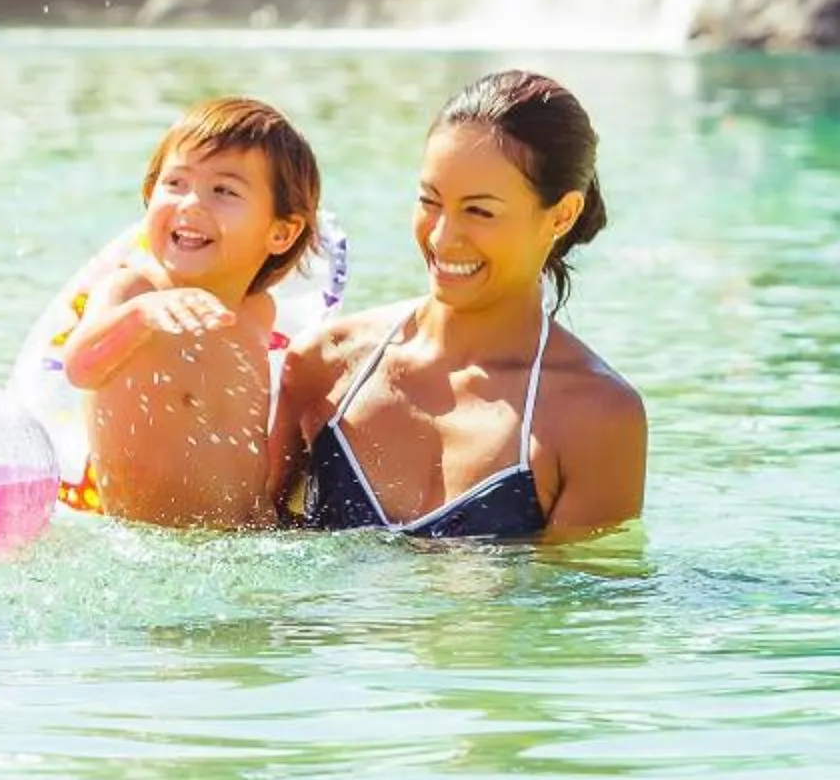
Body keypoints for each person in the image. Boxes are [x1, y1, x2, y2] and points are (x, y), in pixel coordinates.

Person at [273, 70, 645, 541]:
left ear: (562, 215)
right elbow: (241, 537)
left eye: (479, 211)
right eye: (430, 201)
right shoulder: (325, 364)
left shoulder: (595, 417)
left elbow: (581, 588)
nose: (442, 238)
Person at [58, 98, 323, 529]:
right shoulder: (133, 291)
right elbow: (78, 369)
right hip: (158, 542)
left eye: (224, 191)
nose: (191, 204)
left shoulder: (257, 311)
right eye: (175, 183)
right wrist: (139, 317)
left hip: (248, 537)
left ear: (281, 232)